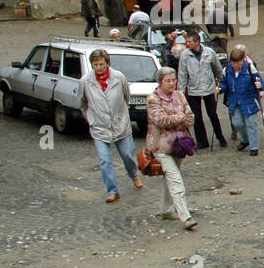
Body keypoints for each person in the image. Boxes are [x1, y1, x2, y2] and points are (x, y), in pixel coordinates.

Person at [81, 49, 143, 203]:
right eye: (95, 65)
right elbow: (83, 103)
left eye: (101, 64)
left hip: (120, 124)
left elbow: (126, 96)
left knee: (128, 155)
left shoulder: (119, 77)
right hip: (99, 127)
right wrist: (91, 120)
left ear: (107, 63)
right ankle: (112, 190)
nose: (99, 67)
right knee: (104, 160)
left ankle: (134, 175)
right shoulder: (85, 81)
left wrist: (122, 116)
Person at [146, 67, 198, 229]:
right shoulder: (153, 99)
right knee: (175, 179)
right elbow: (161, 120)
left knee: (170, 177)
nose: (171, 84)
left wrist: (177, 119)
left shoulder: (180, 96)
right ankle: (185, 216)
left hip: (179, 146)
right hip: (160, 147)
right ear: (160, 82)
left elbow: (190, 118)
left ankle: (165, 209)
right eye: (168, 81)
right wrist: (179, 118)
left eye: (173, 80)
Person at [178, 31, 227, 149]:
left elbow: (217, 68)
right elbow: (182, 74)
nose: (187, 43)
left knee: (212, 115)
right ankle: (202, 141)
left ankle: (220, 137)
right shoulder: (185, 55)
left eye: (189, 41)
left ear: (197, 42)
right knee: (197, 117)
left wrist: (221, 82)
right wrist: (180, 93)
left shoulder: (209, 52)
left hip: (208, 88)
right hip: (193, 89)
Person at [219, 46, 263, 155]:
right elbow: (224, 83)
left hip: (249, 99)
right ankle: (245, 140)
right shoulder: (227, 70)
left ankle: (254, 147)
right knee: (237, 123)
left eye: (237, 63)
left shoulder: (250, 68)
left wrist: (259, 85)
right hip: (235, 100)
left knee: (251, 123)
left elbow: (261, 82)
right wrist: (220, 88)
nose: (235, 65)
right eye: (233, 63)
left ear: (242, 60)